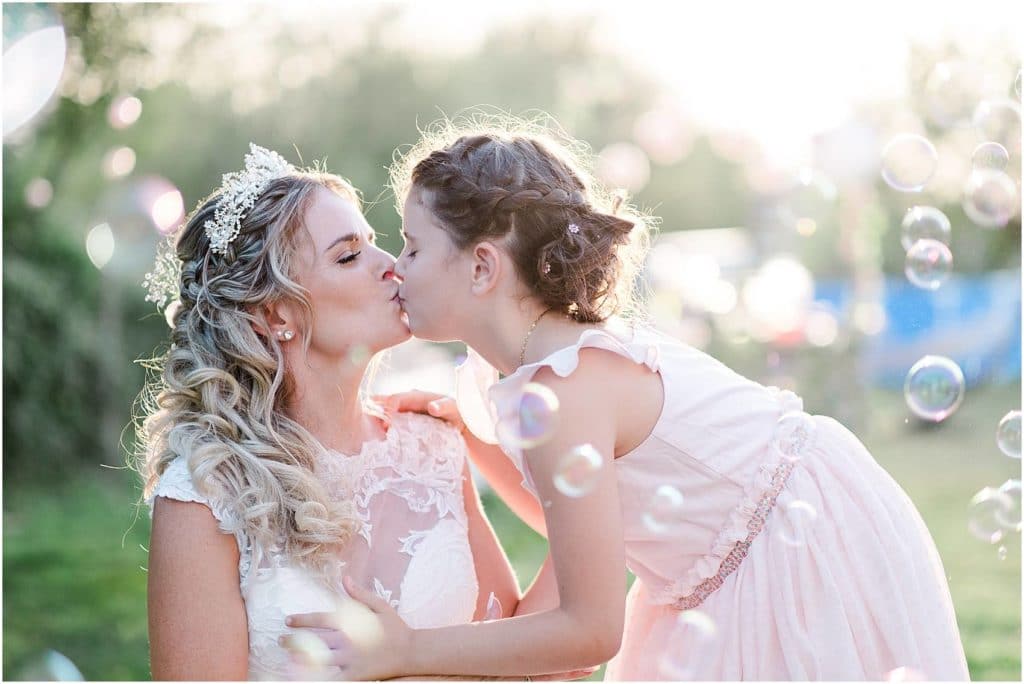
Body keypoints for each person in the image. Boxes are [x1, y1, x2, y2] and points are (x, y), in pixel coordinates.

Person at [287, 117, 971, 680]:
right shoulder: (516, 373)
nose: (395, 269)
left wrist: (406, 651)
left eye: (410, 247)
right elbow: (585, 522)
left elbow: (589, 631)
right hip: (717, 568)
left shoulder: (567, 385)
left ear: (483, 267)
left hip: (799, 549)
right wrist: (474, 444)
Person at [136, 144, 561, 680]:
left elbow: (522, 656)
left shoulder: (432, 447)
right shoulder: (205, 493)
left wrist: (607, 507)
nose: (393, 267)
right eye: (348, 255)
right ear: (276, 313)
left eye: (377, 244)